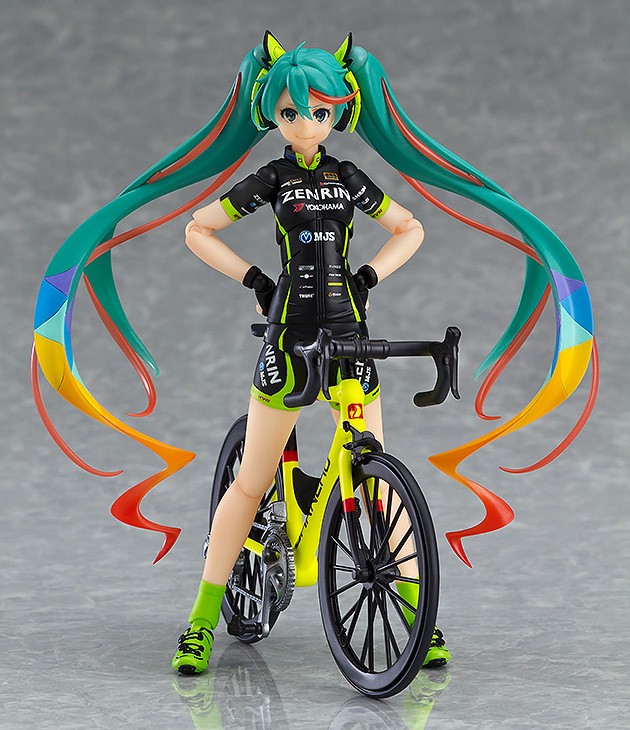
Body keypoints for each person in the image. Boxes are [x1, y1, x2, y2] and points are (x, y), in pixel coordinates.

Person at [33, 32, 595, 678]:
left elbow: (410, 227)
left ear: (339, 112)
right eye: (291, 112)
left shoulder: (347, 177)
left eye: (319, 111)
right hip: (290, 339)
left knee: (378, 485)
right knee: (251, 484)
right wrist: (254, 280)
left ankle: (417, 614)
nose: (305, 123)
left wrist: (369, 277)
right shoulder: (272, 179)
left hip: (350, 338)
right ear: (272, 114)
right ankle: (201, 621)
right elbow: (198, 228)